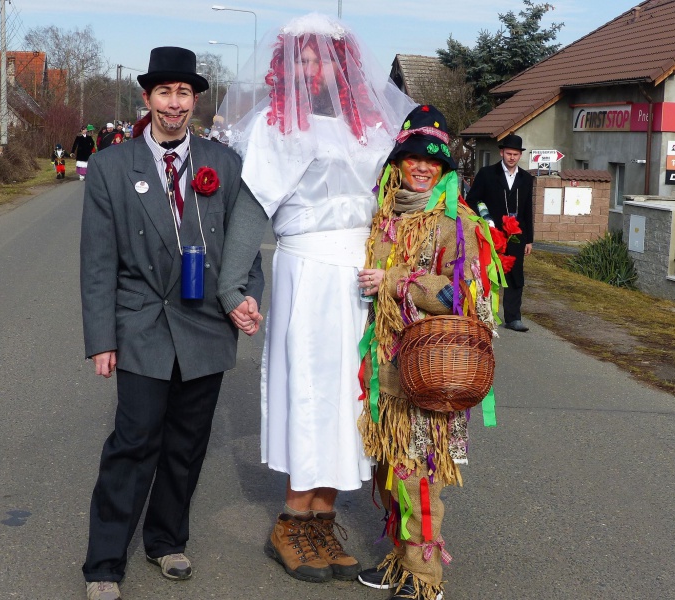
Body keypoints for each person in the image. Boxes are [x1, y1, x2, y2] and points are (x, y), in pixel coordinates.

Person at [215, 12, 415, 585]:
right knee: (309, 391)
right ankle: (291, 521)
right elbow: (252, 211)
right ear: (285, 66)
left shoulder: (373, 129)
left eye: (319, 57)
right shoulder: (277, 128)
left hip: (362, 277)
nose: (310, 68)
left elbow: (398, 204)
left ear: (341, 63)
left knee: (350, 396)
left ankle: (322, 517)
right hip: (307, 272)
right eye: (299, 58)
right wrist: (232, 285)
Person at [79, 46, 264, 600]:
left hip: (206, 325)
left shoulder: (224, 164)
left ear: (195, 101)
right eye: (165, 92)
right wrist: (101, 340)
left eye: (184, 93)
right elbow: (97, 262)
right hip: (141, 324)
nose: (174, 103)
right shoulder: (113, 166)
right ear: (148, 98)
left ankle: (166, 541)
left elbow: (244, 252)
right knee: (133, 441)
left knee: (186, 443)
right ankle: (105, 563)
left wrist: (247, 297)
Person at [355, 105, 505, 600]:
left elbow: (463, 297)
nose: (421, 167)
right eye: (412, 158)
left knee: (418, 474)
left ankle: (425, 579)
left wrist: (394, 281)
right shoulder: (384, 216)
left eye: (432, 161)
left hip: (429, 372)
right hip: (386, 371)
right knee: (391, 467)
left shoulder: (453, 223)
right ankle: (401, 561)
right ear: (397, 162)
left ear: (444, 170)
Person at [464, 133, 534, 331]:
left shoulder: (526, 179)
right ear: (502, 152)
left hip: (516, 234)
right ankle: (481, 314)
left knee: (515, 274)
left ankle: (513, 318)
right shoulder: (487, 174)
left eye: (516, 154)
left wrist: (529, 239)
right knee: (486, 271)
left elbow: (528, 209)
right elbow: (472, 201)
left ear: (520, 155)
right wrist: (485, 219)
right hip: (490, 232)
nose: (512, 157)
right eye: (509, 153)